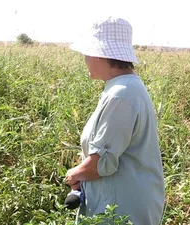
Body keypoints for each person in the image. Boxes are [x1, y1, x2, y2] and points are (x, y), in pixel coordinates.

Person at [64, 16, 165, 224]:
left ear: (100, 54)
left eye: (87, 53)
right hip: (123, 201)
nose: (85, 60)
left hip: (120, 208)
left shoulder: (121, 94)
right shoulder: (126, 88)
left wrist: (73, 174)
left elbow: (100, 164)